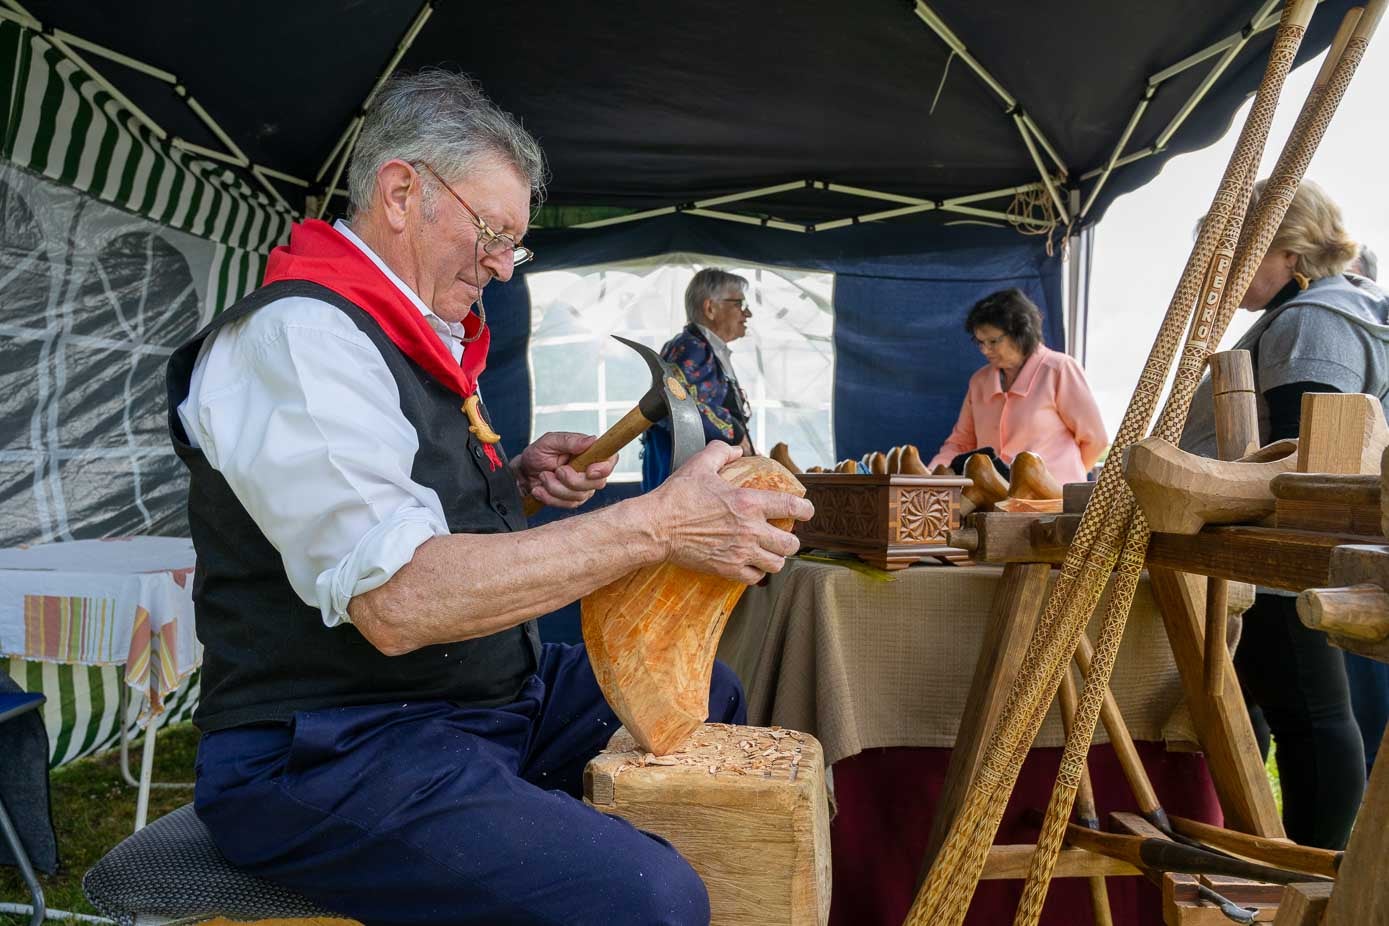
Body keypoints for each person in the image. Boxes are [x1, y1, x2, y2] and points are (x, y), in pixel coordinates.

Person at [167, 70, 812, 926]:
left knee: (713, 698)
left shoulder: (414, 335)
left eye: (516, 244)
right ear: (401, 191)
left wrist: (515, 489)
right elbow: (395, 599)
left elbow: (408, 508)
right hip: (330, 744)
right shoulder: (299, 338)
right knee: (649, 901)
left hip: (475, 700)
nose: (504, 268)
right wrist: (658, 524)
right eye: (492, 232)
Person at [1181, 178, 1389, 847]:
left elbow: (1306, 462)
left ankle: (1311, 877)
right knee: (1261, 708)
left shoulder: (1312, 320)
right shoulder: (1325, 309)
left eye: (1233, 252)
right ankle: (1261, 856)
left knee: (1308, 714)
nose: (1220, 271)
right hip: (1266, 551)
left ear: (1288, 250)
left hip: (1276, 552)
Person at [928, 288, 1107, 485]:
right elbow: (961, 443)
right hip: (996, 500)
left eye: (993, 341)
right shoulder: (980, 381)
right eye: (980, 342)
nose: (985, 350)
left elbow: (1095, 439)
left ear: (1021, 333)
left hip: (1053, 500)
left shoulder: (1058, 369)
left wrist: (1065, 479)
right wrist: (932, 475)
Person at [641, 268, 755, 489]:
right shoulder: (692, 348)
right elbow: (677, 405)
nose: (747, 313)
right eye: (739, 304)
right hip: (680, 477)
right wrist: (736, 434)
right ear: (710, 308)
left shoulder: (701, 347)